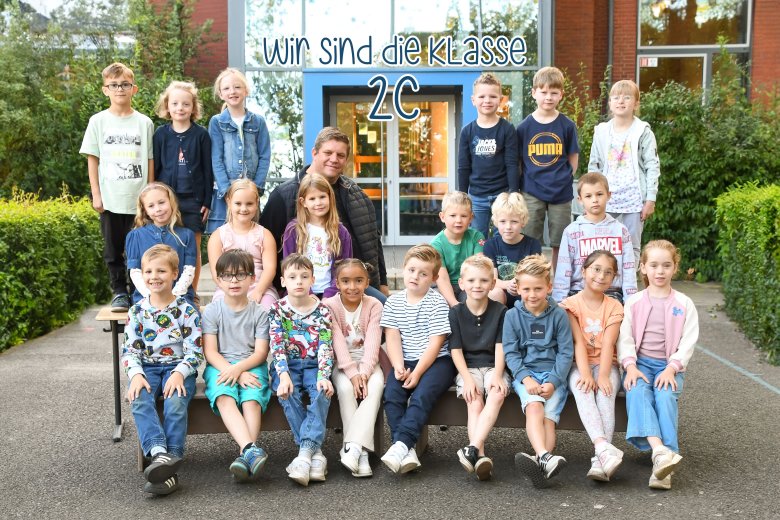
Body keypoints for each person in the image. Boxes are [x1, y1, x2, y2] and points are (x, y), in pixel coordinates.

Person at [260, 127, 389, 301]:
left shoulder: (357, 195)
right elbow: (265, 246)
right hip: (298, 291)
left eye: (341, 155)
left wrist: (382, 284)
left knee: (385, 309)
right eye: (328, 152)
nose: (334, 159)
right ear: (315, 153)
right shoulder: (283, 195)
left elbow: (373, 241)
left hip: (351, 286)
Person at [121, 244, 203, 495]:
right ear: (142, 275)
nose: (154, 277)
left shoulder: (187, 310)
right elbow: (130, 352)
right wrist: (135, 375)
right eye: (148, 272)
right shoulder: (137, 312)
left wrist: (179, 373)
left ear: (175, 274)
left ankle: (172, 459)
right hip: (147, 368)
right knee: (139, 398)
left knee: (175, 401)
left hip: (178, 369)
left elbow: (194, 351)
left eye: (161, 271)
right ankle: (160, 454)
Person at [619, 240, 698, 490]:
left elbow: (688, 341)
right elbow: (625, 337)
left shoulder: (684, 304)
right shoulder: (634, 302)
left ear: (675, 268)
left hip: (668, 366)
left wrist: (672, 368)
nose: (660, 271)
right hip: (640, 363)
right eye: (653, 265)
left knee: (664, 396)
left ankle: (663, 467)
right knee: (638, 392)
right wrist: (630, 366)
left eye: (666, 265)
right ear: (643, 268)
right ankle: (661, 454)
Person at [80, 62, 154, 312]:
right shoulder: (98, 121)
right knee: (113, 250)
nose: (119, 89)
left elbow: (149, 160)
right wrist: (96, 194)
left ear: (134, 89)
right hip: (111, 199)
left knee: (140, 249)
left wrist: (150, 195)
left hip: (138, 201)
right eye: (114, 85)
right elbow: (93, 159)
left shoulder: (144, 123)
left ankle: (139, 292)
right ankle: (120, 291)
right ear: (105, 90)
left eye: (124, 84)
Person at [380, 245, 457, 474]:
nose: (415, 276)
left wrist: (418, 372)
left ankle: (401, 443)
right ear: (404, 269)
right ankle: (406, 449)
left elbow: (436, 343)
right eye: (412, 270)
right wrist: (398, 366)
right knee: (392, 394)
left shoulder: (437, 303)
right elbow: (392, 337)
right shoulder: (393, 302)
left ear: (433, 279)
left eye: (423, 274)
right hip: (406, 360)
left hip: (437, 361)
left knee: (421, 396)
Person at [503, 254, 573, 488]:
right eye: (526, 289)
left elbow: (565, 353)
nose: (532, 295)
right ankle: (544, 457)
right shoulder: (512, 316)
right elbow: (511, 353)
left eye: (538, 289)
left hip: (554, 375)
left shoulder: (559, 315)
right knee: (534, 408)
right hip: (527, 375)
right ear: (518, 289)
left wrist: (553, 381)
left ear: (549, 287)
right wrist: (525, 378)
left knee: (548, 420)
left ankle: (542, 462)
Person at [202, 250, 271, 482]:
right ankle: (251, 451)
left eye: (241, 275)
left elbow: (261, 352)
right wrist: (232, 371)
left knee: (251, 399)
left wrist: (240, 369)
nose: (234, 281)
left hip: (251, 364)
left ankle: (245, 455)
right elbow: (210, 351)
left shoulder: (260, 313)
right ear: (218, 280)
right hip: (220, 365)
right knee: (224, 396)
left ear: (252, 279)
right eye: (228, 276)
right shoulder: (212, 311)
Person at [269, 254, 334, 487]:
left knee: (320, 392)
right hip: (287, 364)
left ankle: (304, 453)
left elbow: (326, 345)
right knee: (287, 392)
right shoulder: (277, 309)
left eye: (304, 277)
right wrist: (283, 375)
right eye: (293, 277)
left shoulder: (323, 311)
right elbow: (276, 345)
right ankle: (314, 453)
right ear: (283, 281)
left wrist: (324, 376)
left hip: (315, 365)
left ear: (313, 280)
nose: (299, 281)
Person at [560, 250, 625, 481]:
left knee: (605, 394)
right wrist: (586, 373)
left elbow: (608, 344)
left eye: (608, 272)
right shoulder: (569, 305)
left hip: (608, 364)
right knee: (583, 388)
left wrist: (605, 375)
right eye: (596, 269)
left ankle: (600, 461)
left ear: (614, 277)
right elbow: (577, 341)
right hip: (579, 363)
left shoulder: (615, 306)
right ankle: (603, 448)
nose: (601, 276)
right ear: (584, 271)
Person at [323, 259, 384, 478]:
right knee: (347, 389)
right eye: (346, 281)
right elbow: (337, 342)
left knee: (375, 387)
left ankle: (354, 448)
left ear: (367, 282)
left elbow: (373, 342)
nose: (352, 286)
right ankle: (361, 451)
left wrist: (365, 373)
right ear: (337, 283)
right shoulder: (329, 306)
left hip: (368, 361)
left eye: (359, 281)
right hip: (342, 363)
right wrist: (353, 374)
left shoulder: (374, 305)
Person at [450, 255, 509, 481]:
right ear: (462, 283)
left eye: (484, 281)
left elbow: (500, 346)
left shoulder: (500, 311)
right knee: (474, 400)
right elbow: (456, 350)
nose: (478, 285)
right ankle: (481, 456)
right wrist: (466, 378)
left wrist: (497, 374)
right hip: (469, 368)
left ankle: (472, 448)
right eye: (472, 281)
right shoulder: (456, 312)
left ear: (493, 284)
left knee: (496, 394)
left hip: (495, 365)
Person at [588, 79, 660, 261]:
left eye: (627, 97)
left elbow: (652, 165)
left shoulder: (643, 131)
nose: (621, 101)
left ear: (636, 103)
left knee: (631, 244)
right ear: (610, 103)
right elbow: (594, 165)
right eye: (616, 97)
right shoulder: (602, 132)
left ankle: (629, 286)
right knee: (601, 243)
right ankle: (604, 284)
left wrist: (650, 199)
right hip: (607, 198)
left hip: (633, 199)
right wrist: (591, 196)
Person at [516, 66, 580, 269]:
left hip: (560, 192)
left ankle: (558, 281)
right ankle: (532, 276)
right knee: (530, 239)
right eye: (543, 92)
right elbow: (519, 160)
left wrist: (565, 178)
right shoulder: (524, 127)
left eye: (554, 92)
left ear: (561, 94)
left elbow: (573, 157)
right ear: (534, 92)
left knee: (560, 241)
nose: (548, 97)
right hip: (531, 191)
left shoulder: (567, 125)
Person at [153, 80, 213, 294]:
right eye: (175, 103)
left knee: (193, 250)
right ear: (167, 106)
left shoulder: (201, 135)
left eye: (186, 104)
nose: (180, 108)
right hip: (166, 201)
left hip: (193, 201)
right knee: (167, 247)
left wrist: (207, 201)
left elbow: (208, 171)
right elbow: (156, 168)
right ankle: (168, 293)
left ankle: (192, 293)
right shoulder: (161, 134)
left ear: (193, 108)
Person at [553, 172, 637, 304]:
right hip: (579, 293)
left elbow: (628, 270)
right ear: (580, 200)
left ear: (609, 195)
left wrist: (631, 303)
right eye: (588, 196)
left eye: (599, 194)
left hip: (612, 294)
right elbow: (564, 270)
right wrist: (559, 303)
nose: (594, 200)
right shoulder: (572, 231)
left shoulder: (620, 231)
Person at [207, 68, 270, 233]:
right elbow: (216, 158)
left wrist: (256, 187)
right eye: (226, 88)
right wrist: (227, 191)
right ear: (220, 94)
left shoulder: (258, 122)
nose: (232, 91)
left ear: (246, 90)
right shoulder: (217, 122)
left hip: (250, 193)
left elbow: (264, 156)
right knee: (224, 239)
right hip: (225, 195)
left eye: (237, 87)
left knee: (251, 237)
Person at [457, 73, 519, 238]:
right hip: (477, 196)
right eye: (482, 96)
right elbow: (463, 167)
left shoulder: (507, 129)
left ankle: (503, 265)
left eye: (492, 96)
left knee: (505, 237)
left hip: (502, 194)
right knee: (478, 239)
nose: (487, 100)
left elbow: (512, 164)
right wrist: (463, 196)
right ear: (473, 100)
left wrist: (513, 193)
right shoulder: (467, 132)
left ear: (500, 99)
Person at [207, 179, 278, 310]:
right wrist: (231, 292)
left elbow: (270, 269)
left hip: (260, 288)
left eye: (249, 203)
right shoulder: (218, 236)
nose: (243, 209)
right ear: (228, 202)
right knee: (220, 310)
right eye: (238, 203)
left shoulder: (265, 235)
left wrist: (258, 291)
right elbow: (216, 273)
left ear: (257, 203)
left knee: (268, 310)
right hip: (227, 289)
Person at [282, 173, 353, 299]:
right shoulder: (293, 230)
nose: (318, 203)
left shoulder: (341, 232)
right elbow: (289, 267)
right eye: (312, 199)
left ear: (330, 198)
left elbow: (345, 269)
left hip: (333, 295)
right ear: (303, 202)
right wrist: (309, 295)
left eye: (322, 197)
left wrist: (329, 295)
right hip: (300, 294)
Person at [125, 182, 197, 306]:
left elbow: (189, 270)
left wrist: (174, 296)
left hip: (179, 297)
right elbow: (135, 272)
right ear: (145, 210)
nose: (158, 209)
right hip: (145, 298)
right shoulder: (135, 236)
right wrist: (151, 296)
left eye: (162, 202)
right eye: (151, 206)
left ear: (171, 202)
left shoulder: (186, 235)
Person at [483, 192, 542, 307]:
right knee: (494, 293)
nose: (508, 227)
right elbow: (491, 280)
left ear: (523, 221)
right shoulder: (490, 245)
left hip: (525, 294)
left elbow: (536, 277)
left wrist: (520, 285)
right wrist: (507, 284)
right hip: (501, 293)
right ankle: (498, 323)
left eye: (514, 221)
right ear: (496, 222)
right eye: (503, 221)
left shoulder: (533, 245)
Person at [431, 191, 485, 307]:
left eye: (464, 216)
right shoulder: (436, 244)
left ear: (471, 217)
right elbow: (442, 278)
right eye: (453, 215)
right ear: (442, 217)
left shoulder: (476, 237)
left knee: (474, 300)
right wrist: (454, 304)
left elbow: (478, 267)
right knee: (438, 302)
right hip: (444, 284)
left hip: (468, 283)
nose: (458, 220)